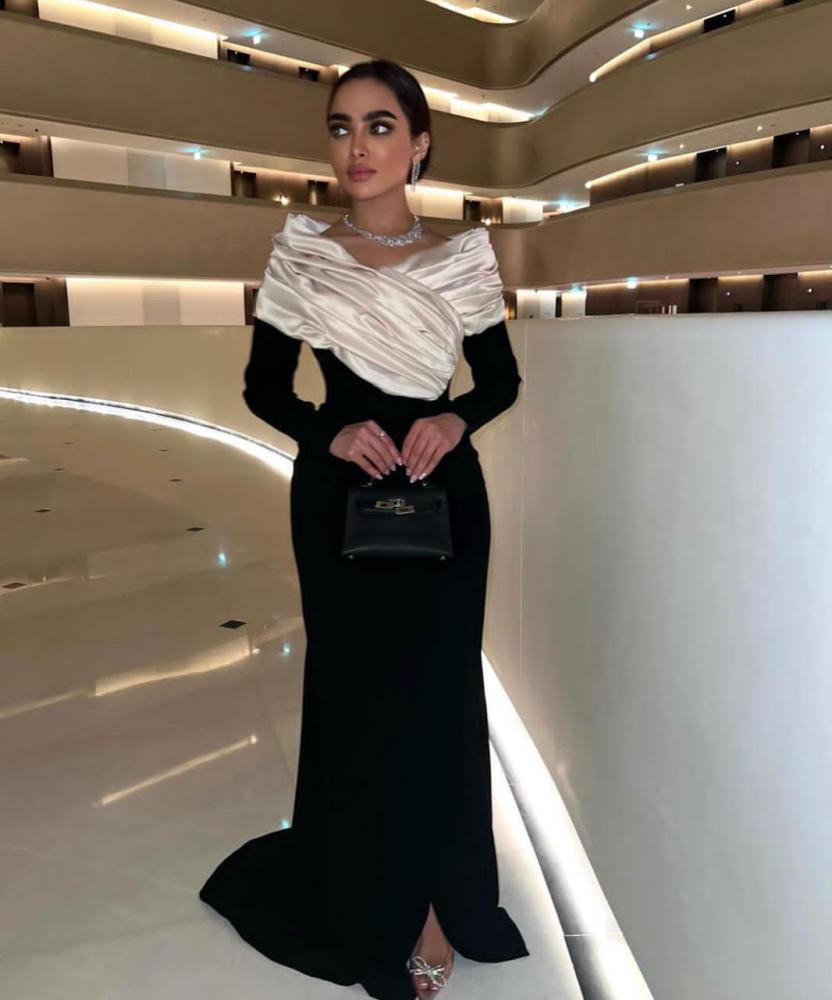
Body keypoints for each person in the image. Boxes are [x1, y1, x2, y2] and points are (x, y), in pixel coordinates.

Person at [198, 59, 529, 1000]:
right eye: (341, 127)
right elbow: (264, 387)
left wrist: (455, 418)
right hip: (339, 492)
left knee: (439, 699)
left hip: (443, 490)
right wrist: (328, 431)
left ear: (420, 143)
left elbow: (500, 380)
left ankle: (439, 901)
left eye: (380, 126)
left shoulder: (463, 256)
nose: (357, 146)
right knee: (357, 698)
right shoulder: (302, 251)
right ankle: (368, 897)